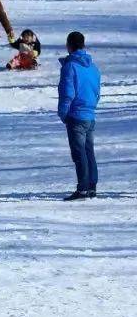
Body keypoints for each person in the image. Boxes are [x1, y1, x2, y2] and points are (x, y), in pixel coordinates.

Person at [57, 31, 101, 201]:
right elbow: (97, 92)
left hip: (76, 115)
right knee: (89, 151)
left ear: (69, 45)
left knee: (79, 153)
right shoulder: (93, 67)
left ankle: (82, 189)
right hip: (90, 115)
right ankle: (92, 186)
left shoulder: (70, 67)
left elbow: (67, 92)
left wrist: (63, 113)